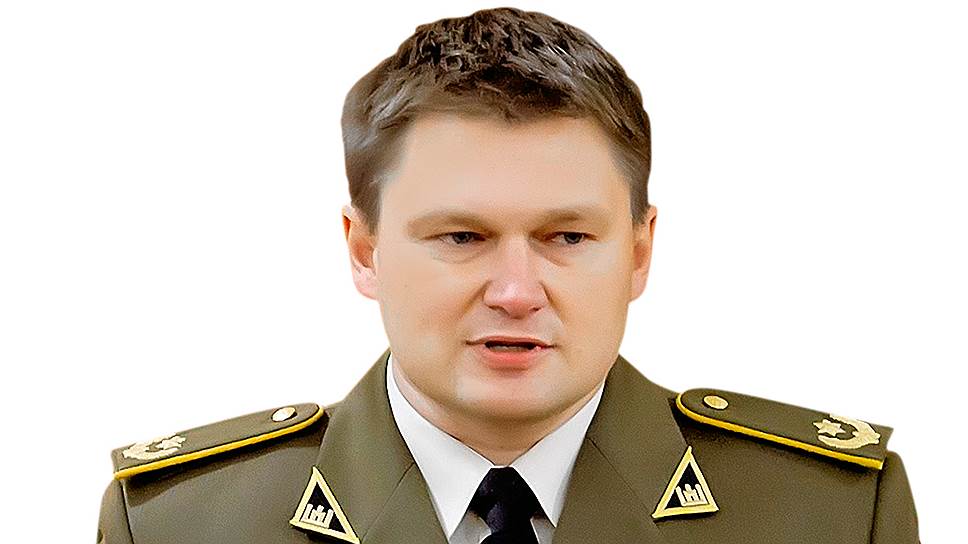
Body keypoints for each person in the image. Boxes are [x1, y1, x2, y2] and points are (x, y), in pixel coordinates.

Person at [96, 7, 919, 543]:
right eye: (462, 237)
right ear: (364, 251)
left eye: (567, 236)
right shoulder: (179, 524)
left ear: (638, 253)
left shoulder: (833, 515)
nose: (517, 292)